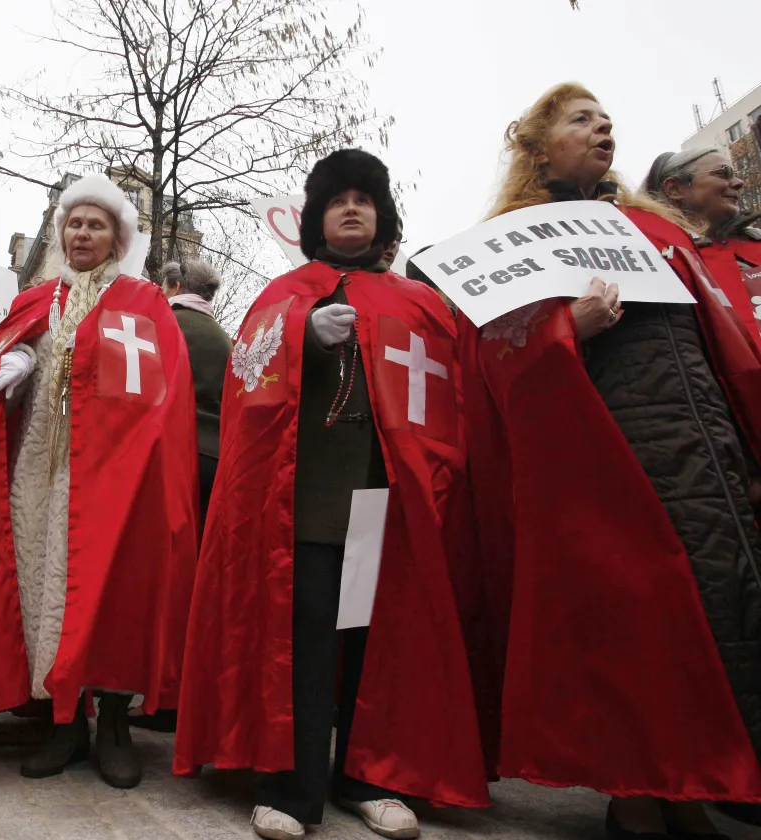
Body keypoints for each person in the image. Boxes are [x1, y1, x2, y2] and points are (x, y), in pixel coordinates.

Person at [461, 82, 761, 839]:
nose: (602, 129)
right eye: (580, 120)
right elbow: (495, 360)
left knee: (709, 614)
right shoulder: (515, 237)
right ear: (537, 146)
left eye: (607, 120)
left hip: (701, 447)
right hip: (607, 455)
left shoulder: (651, 227)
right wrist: (570, 329)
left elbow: (718, 334)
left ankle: (691, 786)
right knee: (630, 624)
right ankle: (634, 794)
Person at [175, 149, 490, 840]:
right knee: (306, 640)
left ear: (382, 216)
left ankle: (368, 777)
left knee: (369, 641)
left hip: (382, 502)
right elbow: (247, 380)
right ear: (317, 216)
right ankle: (290, 788)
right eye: (338, 199)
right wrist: (303, 339)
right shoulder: (285, 295)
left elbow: (452, 399)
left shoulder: (418, 303)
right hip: (307, 503)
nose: (352, 208)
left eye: (364, 199)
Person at [0, 173, 199, 790]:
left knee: (112, 589)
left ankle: (113, 723)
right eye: (74, 223)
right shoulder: (37, 300)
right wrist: (19, 358)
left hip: (116, 470)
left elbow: (166, 392)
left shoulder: (144, 303)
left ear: (117, 236)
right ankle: (64, 722)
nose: (83, 233)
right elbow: (12, 365)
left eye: (96, 224)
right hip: (42, 464)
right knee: (41, 584)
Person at [646, 148, 761, 341]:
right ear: (674, 189)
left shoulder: (756, 242)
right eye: (722, 174)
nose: (738, 183)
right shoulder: (657, 259)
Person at [158, 257, 232, 523]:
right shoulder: (224, 337)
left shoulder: (165, 324)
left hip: (173, 454)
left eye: (163, 288)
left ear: (176, 287)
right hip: (215, 459)